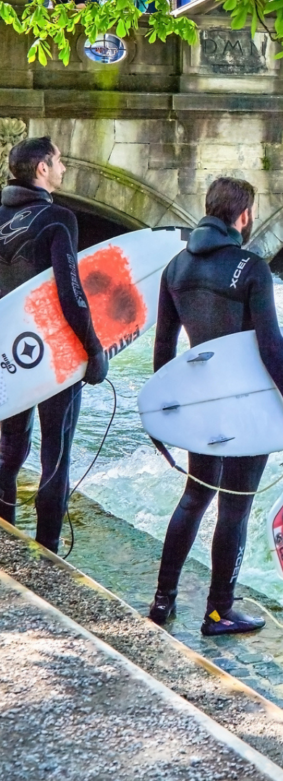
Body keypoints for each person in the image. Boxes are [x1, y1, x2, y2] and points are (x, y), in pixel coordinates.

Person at [147, 177, 283, 635]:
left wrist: (165, 410)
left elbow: (163, 349)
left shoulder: (176, 268)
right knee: (234, 508)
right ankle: (219, 611)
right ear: (243, 216)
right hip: (244, 405)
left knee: (195, 497)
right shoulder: (250, 267)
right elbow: (271, 345)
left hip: (201, 402)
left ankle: (162, 601)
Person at [0, 137, 107, 553]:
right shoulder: (58, 218)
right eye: (59, 161)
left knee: (9, 451)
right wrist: (94, 349)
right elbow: (71, 293)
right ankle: (46, 550)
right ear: (42, 168)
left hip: (7, 352)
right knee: (55, 456)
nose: (64, 168)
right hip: (52, 353)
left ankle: (5, 537)